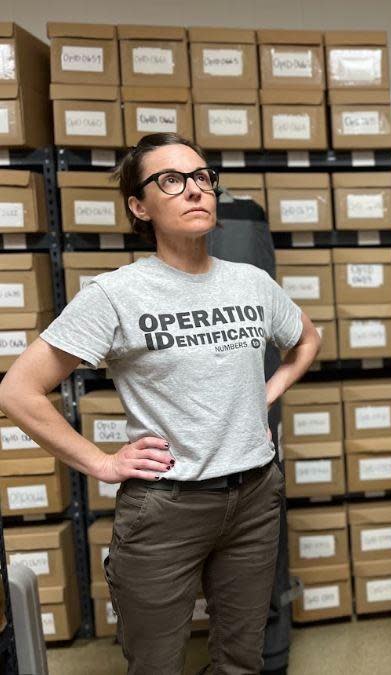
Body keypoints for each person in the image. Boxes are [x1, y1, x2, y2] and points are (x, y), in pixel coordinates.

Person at [0, 133, 321, 674]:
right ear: (139, 205)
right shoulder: (115, 295)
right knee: (155, 664)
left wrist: (259, 400)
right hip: (166, 508)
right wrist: (102, 463)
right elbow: (18, 390)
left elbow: (307, 340)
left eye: (202, 178)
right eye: (171, 180)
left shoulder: (253, 282)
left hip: (255, 496)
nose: (195, 191)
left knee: (243, 658)